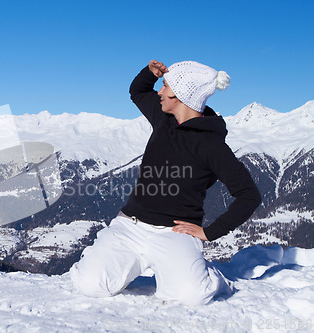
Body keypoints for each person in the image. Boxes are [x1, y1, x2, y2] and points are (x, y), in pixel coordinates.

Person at [70, 60, 262, 306]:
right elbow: (138, 91)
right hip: (130, 226)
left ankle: (210, 278)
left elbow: (249, 195)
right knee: (89, 284)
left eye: (165, 87)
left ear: (181, 96)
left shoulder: (212, 146)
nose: (159, 92)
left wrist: (209, 232)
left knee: (192, 296)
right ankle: (103, 262)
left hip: (175, 233)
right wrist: (149, 73)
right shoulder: (163, 118)